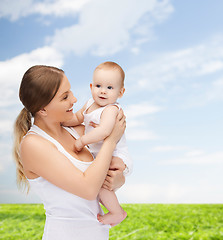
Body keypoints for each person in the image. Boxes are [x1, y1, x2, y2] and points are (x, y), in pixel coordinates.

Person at [13, 65, 129, 240]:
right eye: (65, 96)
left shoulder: (78, 130)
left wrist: (118, 179)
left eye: (71, 92)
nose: (74, 99)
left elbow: (102, 175)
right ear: (43, 109)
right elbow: (88, 189)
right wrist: (110, 140)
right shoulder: (33, 144)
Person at [63, 61, 132, 226]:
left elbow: (104, 131)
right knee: (100, 186)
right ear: (91, 86)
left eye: (110, 88)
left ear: (121, 92)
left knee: (101, 184)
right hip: (101, 155)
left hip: (116, 155)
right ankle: (112, 206)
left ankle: (117, 212)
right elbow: (78, 118)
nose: (102, 91)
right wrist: (63, 121)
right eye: (98, 85)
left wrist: (82, 141)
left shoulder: (110, 109)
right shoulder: (88, 105)